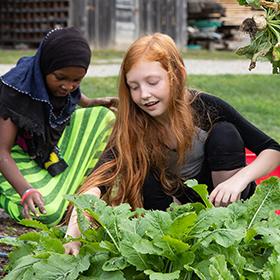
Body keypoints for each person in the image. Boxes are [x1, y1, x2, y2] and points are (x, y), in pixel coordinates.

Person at [64, 32, 280, 255]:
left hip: (220, 195)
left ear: (176, 74)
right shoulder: (133, 121)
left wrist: (238, 181)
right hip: (172, 205)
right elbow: (100, 179)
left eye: (152, 82)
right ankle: (169, 245)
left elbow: (273, 150)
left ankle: (233, 231)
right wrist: (73, 233)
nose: (144, 95)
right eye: (134, 86)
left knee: (226, 133)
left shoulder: (205, 107)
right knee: (142, 168)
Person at [0, 27, 117, 225]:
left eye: (76, 80)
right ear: (45, 67)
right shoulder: (15, 91)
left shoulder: (64, 85)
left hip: (43, 146)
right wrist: (26, 190)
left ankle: (83, 191)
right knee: (49, 214)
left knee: (105, 117)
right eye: (61, 78)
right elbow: (2, 151)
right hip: (13, 156)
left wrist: (93, 102)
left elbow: (76, 96)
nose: (68, 86)